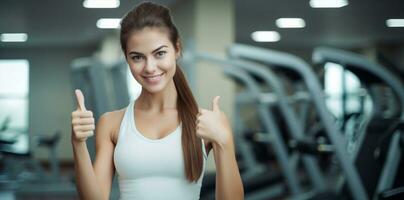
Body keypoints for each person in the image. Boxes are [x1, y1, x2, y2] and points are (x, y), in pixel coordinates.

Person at [71, 2, 244, 200]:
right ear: (127, 58)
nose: (150, 67)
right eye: (137, 57)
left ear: (177, 49)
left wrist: (223, 142)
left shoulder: (208, 122)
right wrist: (78, 144)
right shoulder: (111, 123)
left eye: (160, 53)